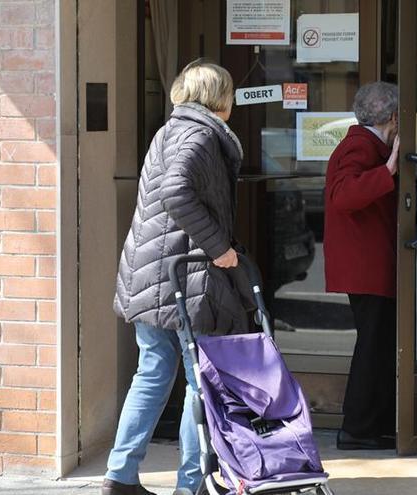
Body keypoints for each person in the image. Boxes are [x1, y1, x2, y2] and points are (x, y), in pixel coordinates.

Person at [106, 60, 249, 495]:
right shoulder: (202, 134)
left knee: (151, 373)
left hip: (150, 274)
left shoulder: (171, 129)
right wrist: (219, 248)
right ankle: (193, 484)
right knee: (200, 382)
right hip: (183, 280)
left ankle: (120, 476)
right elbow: (176, 192)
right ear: (220, 97)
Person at [324, 81, 400, 450]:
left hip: (369, 264)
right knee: (372, 347)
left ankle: (373, 424)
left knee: (379, 345)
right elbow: (343, 195)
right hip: (366, 266)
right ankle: (357, 428)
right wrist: (388, 169)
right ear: (393, 116)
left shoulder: (368, 143)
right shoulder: (361, 145)